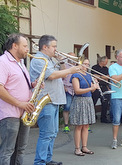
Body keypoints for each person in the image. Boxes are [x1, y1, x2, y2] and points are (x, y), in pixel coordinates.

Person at [30, 35, 81, 165]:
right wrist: (70, 69)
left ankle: (47, 159)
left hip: (54, 100)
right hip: (46, 100)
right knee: (46, 134)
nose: (56, 49)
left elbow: (63, 73)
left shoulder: (51, 59)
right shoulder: (39, 59)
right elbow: (52, 75)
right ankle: (40, 161)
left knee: (53, 133)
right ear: (45, 47)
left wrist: (63, 62)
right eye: (54, 46)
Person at [0, 33, 34, 165]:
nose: (27, 49)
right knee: (7, 151)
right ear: (15, 46)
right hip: (10, 113)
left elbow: (17, 83)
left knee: (20, 149)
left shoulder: (20, 63)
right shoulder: (3, 62)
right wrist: (20, 103)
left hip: (24, 113)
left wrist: (33, 85)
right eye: (25, 46)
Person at [70, 59, 98, 156]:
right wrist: (91, 88)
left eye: (88, 64)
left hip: (88, 100)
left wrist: (95, 86)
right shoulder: (75, 75)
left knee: (86, 125)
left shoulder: (89, 75)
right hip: (79, 101)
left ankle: (84, 147)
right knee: (79, 125)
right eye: (85, 64)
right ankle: (77, 148)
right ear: (79, 64)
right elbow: (77, 90)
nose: (86, 66)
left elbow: (91, 90)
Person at [91, 55, 112, 123]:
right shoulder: (94, 67)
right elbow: (94, 76)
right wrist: (103, 77)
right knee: (93, 102)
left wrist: (100, 77)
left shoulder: (106, 68)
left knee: (105, 102)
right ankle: (92, 117)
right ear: (102, 61)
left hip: (104, 86)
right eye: (106, 62)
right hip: (96, 86)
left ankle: (103, 118)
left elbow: (108, 77)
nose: (106, 63)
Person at [62, 52, 76, 133]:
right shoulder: (65, 66)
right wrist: (63, 87)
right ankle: (66, 125)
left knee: (76, 107)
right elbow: (60, 78)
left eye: (74, 57)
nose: (73, 59)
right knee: (67, 107)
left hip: (76, 89)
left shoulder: (77, 67)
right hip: (68, 89)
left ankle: (76, 123)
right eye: (71, 57)